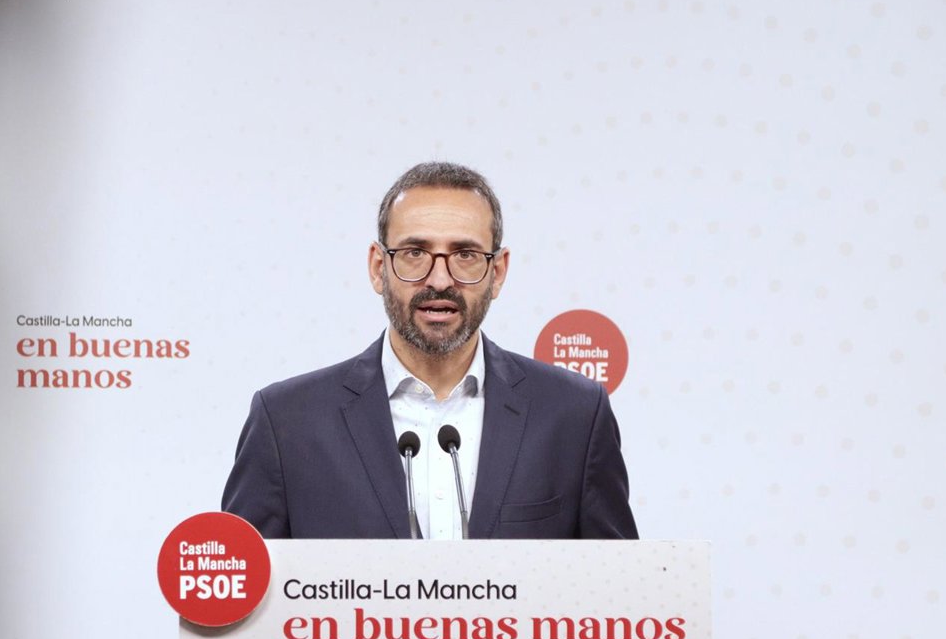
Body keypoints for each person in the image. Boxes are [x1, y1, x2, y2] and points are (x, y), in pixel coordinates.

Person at [221, 162, 638, 540]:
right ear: (378, 267)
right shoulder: (287, 422)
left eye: (465, 254)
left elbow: (617, 586)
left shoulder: (574, 415)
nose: (439, 280)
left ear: (497, 272)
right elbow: (246, 589)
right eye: (415, 253)